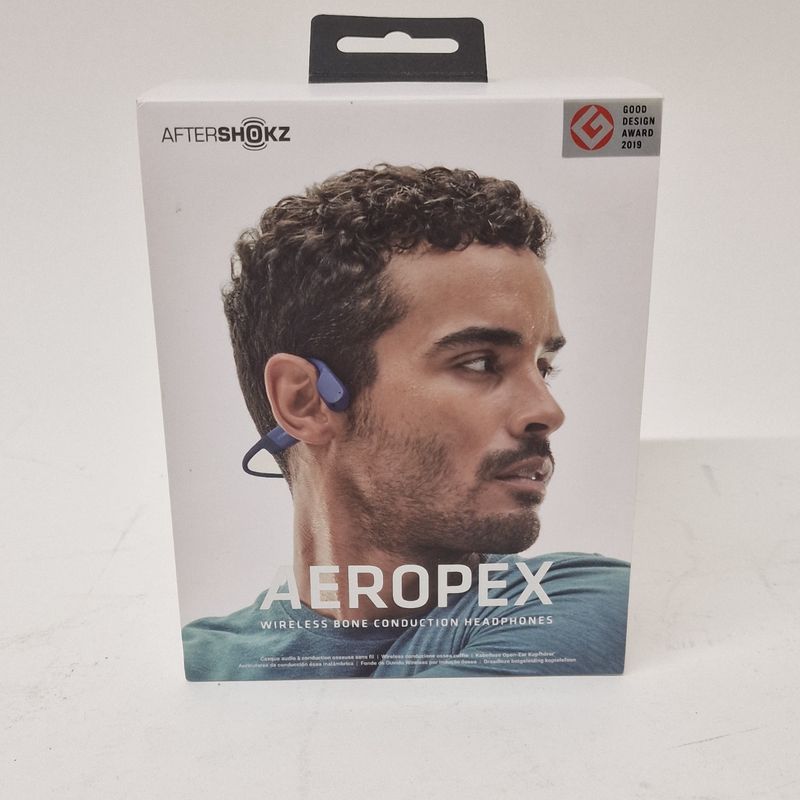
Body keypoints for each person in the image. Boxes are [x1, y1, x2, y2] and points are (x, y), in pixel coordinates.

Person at [182, 165, 629, 681]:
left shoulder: (578, 601)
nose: (548, 411)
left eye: (543, 367)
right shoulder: (194, 662)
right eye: (480, 363)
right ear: (306, 401)